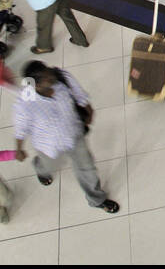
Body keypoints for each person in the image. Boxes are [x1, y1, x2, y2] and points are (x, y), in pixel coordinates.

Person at [12, 62, 118, 213]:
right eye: (46, 77)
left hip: (74, 135)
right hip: (49, 147)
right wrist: (19, 149)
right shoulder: (24, 104)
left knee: (87, 168)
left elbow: (79, 95)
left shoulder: (61, 78)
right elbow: (20, 129)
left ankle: (96, 199)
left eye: (48, 71)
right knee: (49, 166)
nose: (51, 75)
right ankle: (40, 167)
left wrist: (88, 110)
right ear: (36, 86)